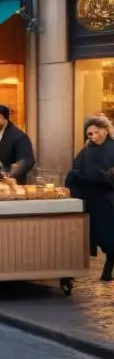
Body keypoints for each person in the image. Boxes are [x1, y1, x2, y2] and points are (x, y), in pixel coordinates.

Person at [66, 116, 114, 281]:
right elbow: (75, 169)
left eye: (95, 132)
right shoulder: (86, 150)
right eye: (89, 133)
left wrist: (101, 177)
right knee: (83, 236)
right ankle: (73, 271)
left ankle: (108, 267)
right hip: (87, 199)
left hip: (106, 201)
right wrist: (81, 176)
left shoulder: (112, 148)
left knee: (108, 237)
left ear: (105, 131)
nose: (92, 135)